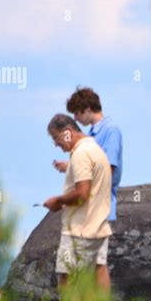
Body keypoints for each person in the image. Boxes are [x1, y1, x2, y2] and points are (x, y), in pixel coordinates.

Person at [54, 87, 123, 290]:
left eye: (77, 112)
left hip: (97, 204)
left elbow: (106, 167)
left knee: (94, 266)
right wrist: (70, 167)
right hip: (89, 204)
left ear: (87, 108)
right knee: (96, 265)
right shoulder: (91, 134)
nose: (75, 118)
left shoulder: (110, 131)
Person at [44, 114, 112, 289]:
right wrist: (69, 167)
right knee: (99, 271)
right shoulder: (94, 149)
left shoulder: (80, 153)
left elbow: (82, 194)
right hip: (98, 226)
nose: (56, 143)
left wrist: (57, 201)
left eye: (56, 138)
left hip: (79, 229)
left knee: (67, 279)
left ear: (67, 132)